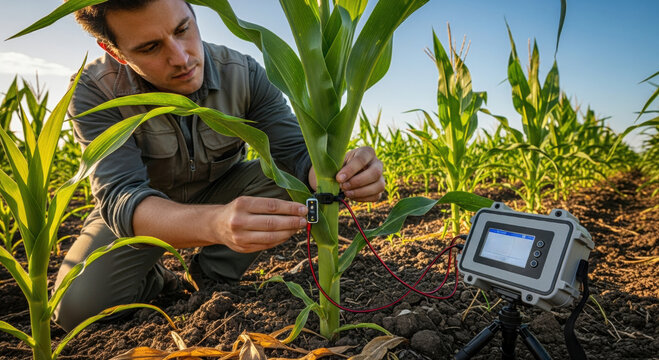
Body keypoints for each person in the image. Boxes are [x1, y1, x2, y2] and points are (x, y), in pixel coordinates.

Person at [54, 0, 385, 332]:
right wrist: (215, 224)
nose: (181, 58)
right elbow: (121, 196)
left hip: (224, 190)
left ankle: (212, 276)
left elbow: (296, 154)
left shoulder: (244, 72)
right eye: (150, 47)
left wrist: (340, 173)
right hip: (145, 212)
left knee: (288, 177)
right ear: (115, 51)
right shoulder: (94, 89)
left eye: (183, 29)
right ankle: (158, 279)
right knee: (76, 308)